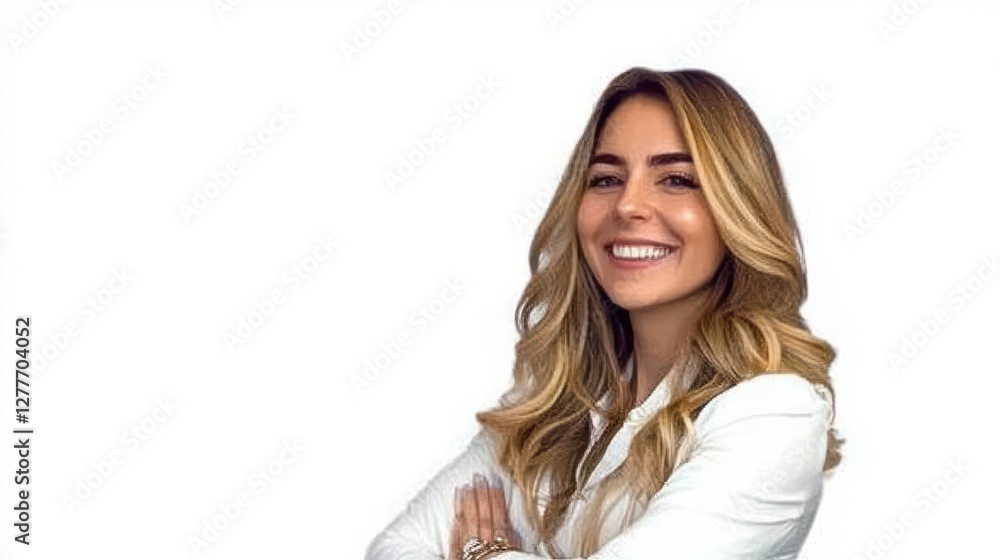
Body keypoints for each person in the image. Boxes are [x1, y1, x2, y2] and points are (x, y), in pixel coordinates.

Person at [366, 66, 845, 560]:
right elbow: (394, 549)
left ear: (739, 210)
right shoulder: (552, 404)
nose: (628, 205)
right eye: (607, 178)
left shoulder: (775, 414)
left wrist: (482, 551)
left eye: (677, 179)